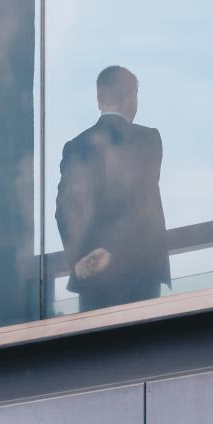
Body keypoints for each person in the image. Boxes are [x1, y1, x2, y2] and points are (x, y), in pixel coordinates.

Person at [55, 66, 170, 311]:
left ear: (99, 100)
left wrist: (80, 259)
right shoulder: (148, 139)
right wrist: (113, 252)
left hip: (92, 277)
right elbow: (140, 204)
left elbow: (63, 211)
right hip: (139, 271)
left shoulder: (75, 147)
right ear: (131, 97)